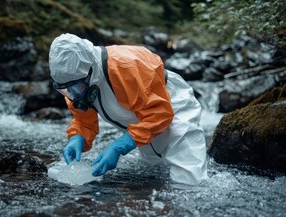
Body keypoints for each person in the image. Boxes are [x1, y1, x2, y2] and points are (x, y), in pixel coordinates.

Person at [49, 33, 207, 185]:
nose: (72, 95)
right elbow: (84, 122)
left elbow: (160, 113)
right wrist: (78, 137)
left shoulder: (128, 65)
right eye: (64, 90)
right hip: (142, 127)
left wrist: (120, 146)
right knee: (155, 178)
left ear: (90, 70)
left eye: (77, 87)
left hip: (174, 109)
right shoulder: (74, 86)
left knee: (189, 183)